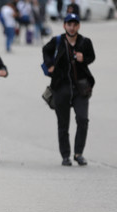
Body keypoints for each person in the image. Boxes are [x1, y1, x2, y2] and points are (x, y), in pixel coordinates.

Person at [42, 13, 95, 166]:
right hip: (61, 87)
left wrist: (83, 58)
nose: (72, 27)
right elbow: (46, 50)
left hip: (80, 88)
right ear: (64, 25)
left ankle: (78, 154)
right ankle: (65, 155)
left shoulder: (85, 42)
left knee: (83, 119)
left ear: (78, 26)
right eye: (69, 24)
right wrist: (49, 65)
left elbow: (92, 57)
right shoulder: (57, 41)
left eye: (75, 24)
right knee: (63, 124)